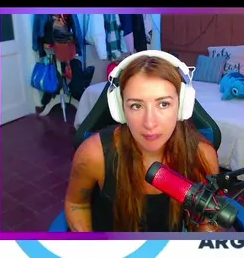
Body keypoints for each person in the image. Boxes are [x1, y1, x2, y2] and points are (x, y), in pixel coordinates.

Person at [64, 51, 223, 232]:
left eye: (163, 104)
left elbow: (206, 219)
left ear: (182, 106)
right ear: (120, 110)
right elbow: (76, 204)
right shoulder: (94, 154)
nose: (150, 123)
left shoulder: (202, 155)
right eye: (136, 106)